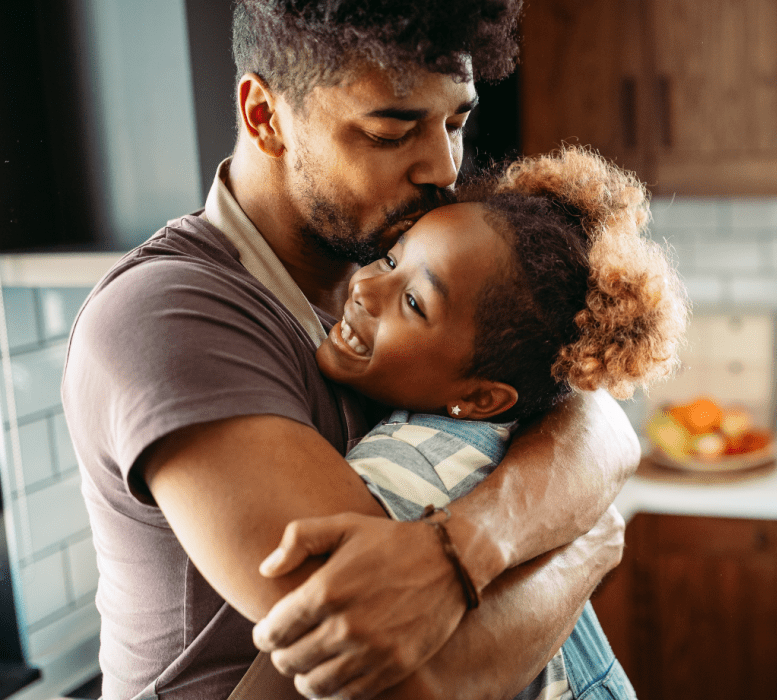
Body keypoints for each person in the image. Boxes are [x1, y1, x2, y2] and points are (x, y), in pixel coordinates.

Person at [61, 2, 642, 698]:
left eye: (456, 121)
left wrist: (467, 545)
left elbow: (593, 416)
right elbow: (417, 682)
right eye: (391, 131)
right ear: (264, 116)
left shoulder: (393, 259)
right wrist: (586, 547)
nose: (443, 168)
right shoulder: (166, 315)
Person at [318, 146, 687, 699]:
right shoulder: (514, 433)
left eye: (415, 304)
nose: (365, 289)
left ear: (482, 398)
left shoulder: (405, 473)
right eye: (391, 259)